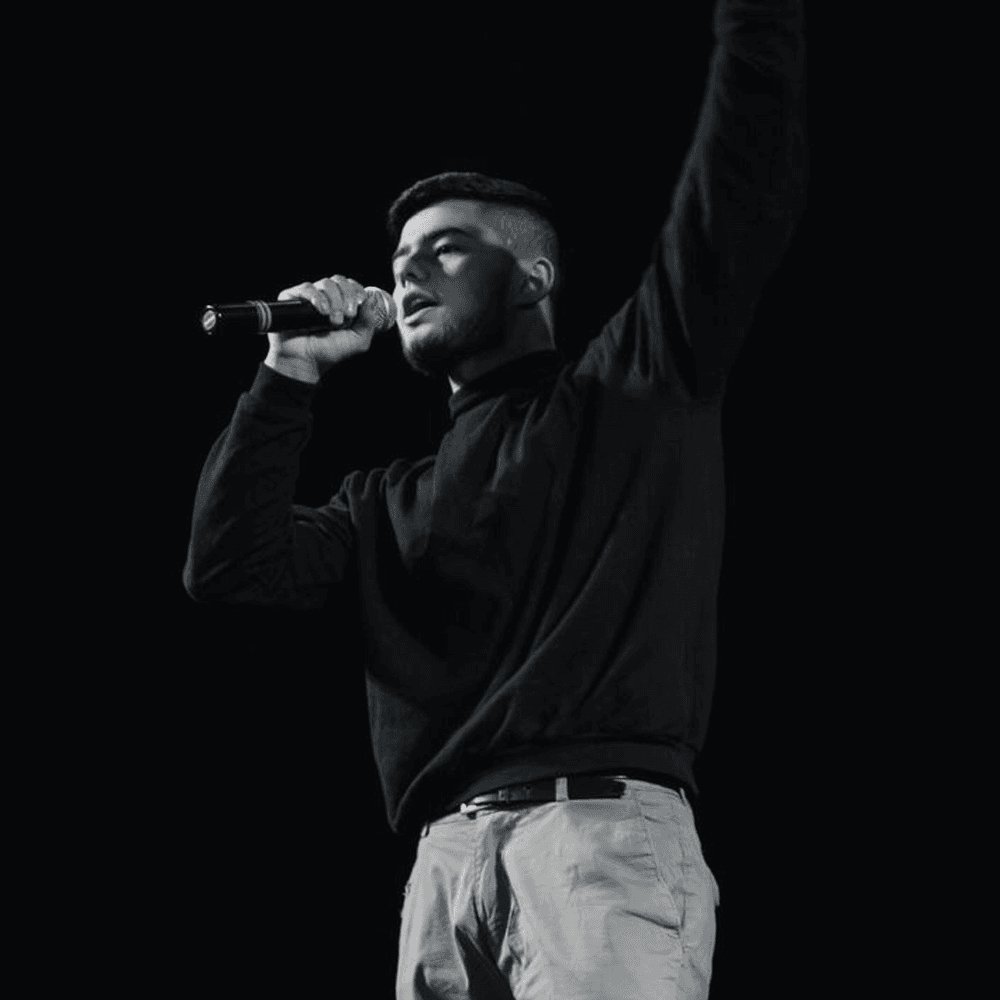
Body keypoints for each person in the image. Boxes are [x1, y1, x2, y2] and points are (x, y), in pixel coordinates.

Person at [183, 1, 807, 995]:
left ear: (532, 277)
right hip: (442, 865)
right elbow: (228, 566)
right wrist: (288, 372)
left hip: (594, 841)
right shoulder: (387, 499)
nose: (407, 271)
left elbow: (735, 190)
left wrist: (755, 24)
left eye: (445, 249)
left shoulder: (631, 393)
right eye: (399, 260)